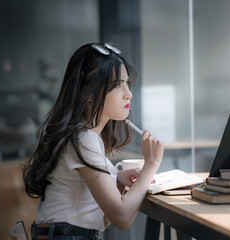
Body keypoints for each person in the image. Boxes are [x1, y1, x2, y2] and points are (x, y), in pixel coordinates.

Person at [22, 43, 164, 240]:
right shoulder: (83, 139)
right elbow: (122, 218)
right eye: (117, 85)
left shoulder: (84, 137)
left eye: (127, 83)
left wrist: (117, 182)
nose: (128, 93)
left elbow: (104, 222)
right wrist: (151, 164)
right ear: (88, 93)